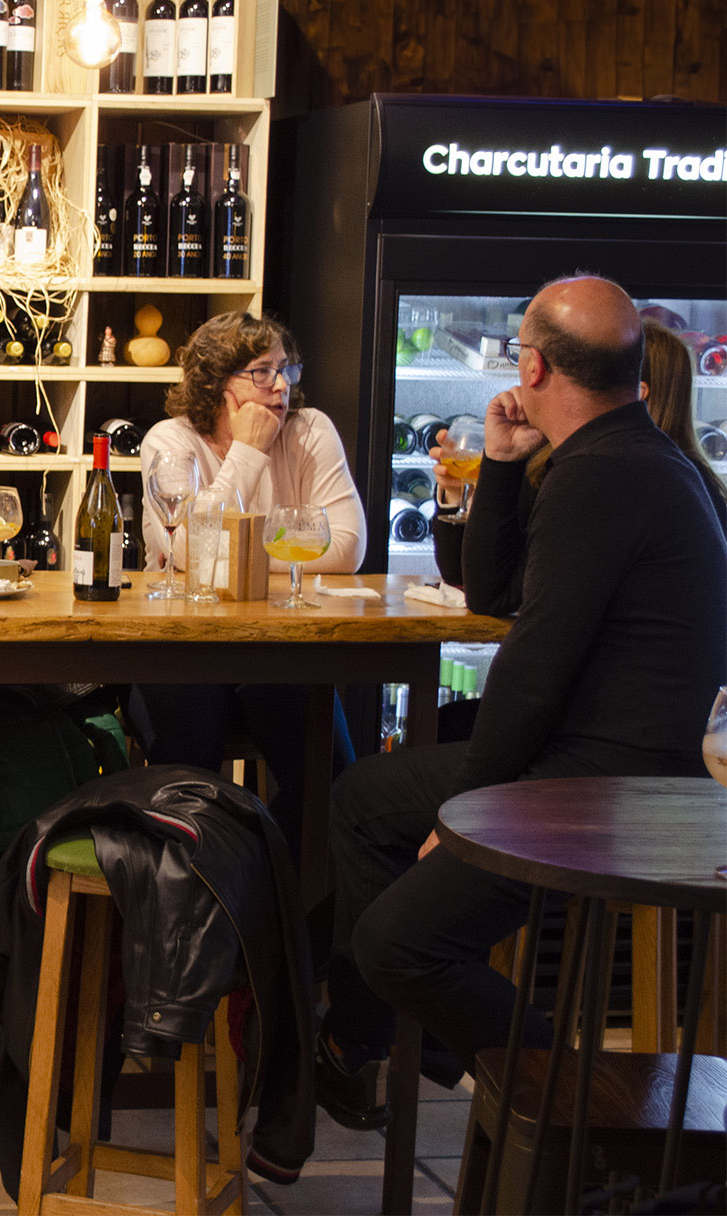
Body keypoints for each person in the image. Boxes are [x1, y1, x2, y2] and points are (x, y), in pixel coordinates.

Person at [315, 275, 727, 1130]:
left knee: (397, 940)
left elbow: (533, 669)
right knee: (363, 800)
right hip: (623, 765)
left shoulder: (603, 475)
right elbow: (497, 594)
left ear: (532, 367)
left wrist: (469, 809)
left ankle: (589, 1116)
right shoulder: (622, 456)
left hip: (615, 789)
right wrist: (501, 463)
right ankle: (389, 1038)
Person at [128, 311, 363, 860]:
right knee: (191, 789)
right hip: (183, 652)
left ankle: (268, 879)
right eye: (262, 373)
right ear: (217, 384)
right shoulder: (171, 440)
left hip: (276, 650)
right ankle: (202, 890)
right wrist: (249, 454)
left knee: (332, 785)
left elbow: (348, 547)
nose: (281, 386)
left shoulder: (310, 430)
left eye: (287, 369)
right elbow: (189, 551)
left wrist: (233, 561)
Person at [430, 317, 727, 611]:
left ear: (637, 394)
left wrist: (496, 478)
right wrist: (460, 498)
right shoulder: (696, 484)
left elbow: (497, 593)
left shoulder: (598, 480)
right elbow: (466, 576)